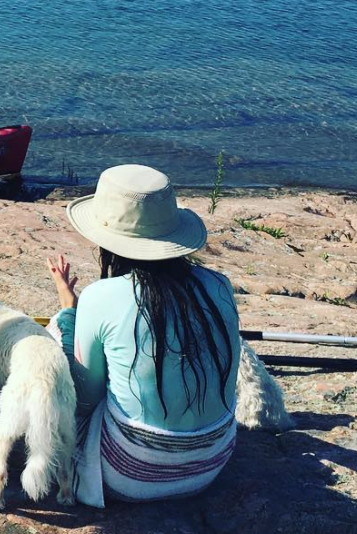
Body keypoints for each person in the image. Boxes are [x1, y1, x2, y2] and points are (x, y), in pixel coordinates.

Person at [46, 163, 240, 507]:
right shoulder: (220, 286)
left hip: (131, 474)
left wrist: (69, 315)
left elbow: (85, 398)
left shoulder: (103, 296)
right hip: (212, 462)